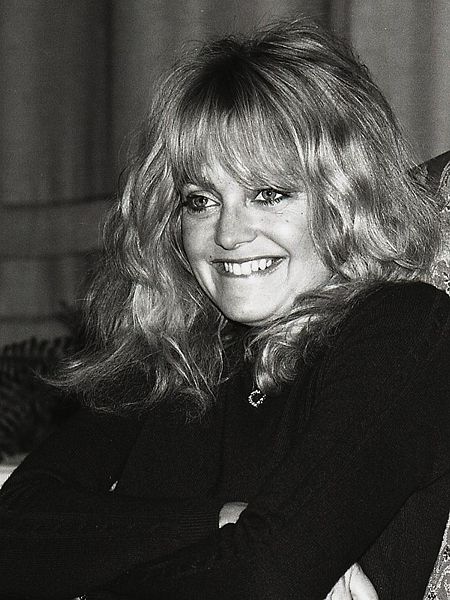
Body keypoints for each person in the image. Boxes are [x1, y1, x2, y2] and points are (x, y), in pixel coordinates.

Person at [0, 18, 449, 600]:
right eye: (201, 200)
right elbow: (13, 533)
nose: (229, 234)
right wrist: (221, 522)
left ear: (347, 198)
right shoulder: (178, 348)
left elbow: (269, 574)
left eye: (269, 194)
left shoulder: (403, 330)